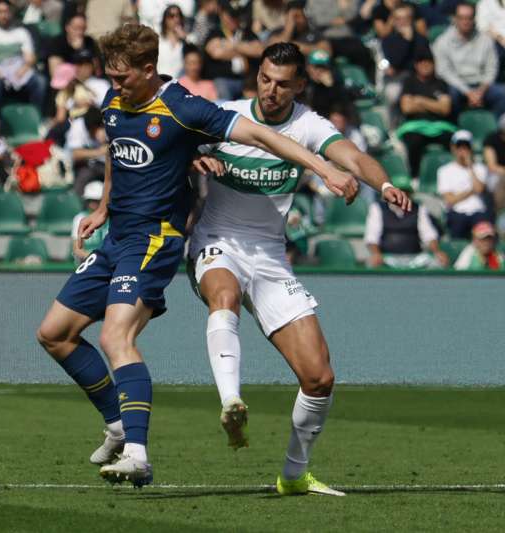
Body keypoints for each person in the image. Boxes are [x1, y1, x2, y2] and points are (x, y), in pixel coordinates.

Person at [35, 24, 357, 488]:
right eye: (112, 76)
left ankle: (138, 454)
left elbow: (262, 136)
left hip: (154, 239)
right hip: (117, 236)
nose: (114, 84)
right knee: (54, 334)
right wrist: (102, 207)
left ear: (149, 70)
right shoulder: (113, 100)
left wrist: (324, 168)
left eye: (123, 77)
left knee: (114, 336)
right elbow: (115, 152)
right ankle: (117, 424)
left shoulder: (183, 106)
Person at [188, 42, 409, 496]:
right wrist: (195, 158)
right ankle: (231, 402)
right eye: (265, 79)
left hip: (270, 255)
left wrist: (384, 183)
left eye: (283, 84)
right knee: (224, 295)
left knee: (319, 376)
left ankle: (293, 475)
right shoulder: (227, 116)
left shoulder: (308, 125)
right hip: (217, 241)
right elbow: (176, 148)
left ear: (300, 86)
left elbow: (352, 157)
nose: (271, 90)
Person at [432, 2, 505, 118]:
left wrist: (481, 91)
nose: (465, 22)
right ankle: (455, 126)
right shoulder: (442, 42)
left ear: (474, 19)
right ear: (455, 19)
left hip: (482, 85)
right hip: (456, 85)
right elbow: (444, 72)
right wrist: (468, 92)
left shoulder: (486, 40)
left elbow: (491, 68)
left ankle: (496, 127)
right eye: (461, 18)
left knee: (502, 93)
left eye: (469, 18)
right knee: (450, 96)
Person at [0, 0, 46, 111]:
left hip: (19, 71)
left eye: (7, 12)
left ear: (11, 13)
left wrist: (23, 69)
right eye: (0, 12)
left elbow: (30, 57)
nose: (4, 15)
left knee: (40, 81)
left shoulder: (21, 32)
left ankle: (35, 115)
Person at [364, 175, 448, 268]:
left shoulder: (419, 208)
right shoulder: (377, 208)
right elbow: (372, 237)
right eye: (399, 192)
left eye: (406, 192)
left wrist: (437, 252)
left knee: (438, 262)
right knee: (371, 263)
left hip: (415, 258)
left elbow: (429, 235)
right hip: (387, 258)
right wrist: (376, 254)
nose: (402, 196)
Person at [396, 47, 454, 177]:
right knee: (414, 141)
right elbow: (407, 108)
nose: (425, 65)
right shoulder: (409, 82)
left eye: (428, 62)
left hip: (439, 126)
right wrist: (435, 106)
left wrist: (420, 100)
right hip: (415, 126)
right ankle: (415, 177)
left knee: (453, 140)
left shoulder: (441, 83)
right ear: (416, 65)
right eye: (421, 62)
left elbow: (445, 109)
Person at [438, 129, 497, 238]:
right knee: (456, 233)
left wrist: (470, 166)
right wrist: (471, 191)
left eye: (466, 147)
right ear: (453, 148)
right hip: (457, 213)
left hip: (478, 212)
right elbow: (450, 200)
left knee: (486, 235)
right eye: (459, 146)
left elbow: (479, 189)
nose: (462, 150)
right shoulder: (444, 171)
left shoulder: (480, 168)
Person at [203, 1, 263, 101]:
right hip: (224, 79)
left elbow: (259, 50)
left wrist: (231, 45)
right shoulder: (215, 32)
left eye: (236, 15)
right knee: (222, 89)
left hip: (247, 81)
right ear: (222, 14)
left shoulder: (246, 33)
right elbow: (215, 52)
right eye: (230, 15)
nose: (233, 19)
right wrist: (245, 51)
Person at [46, 13, 101, 79]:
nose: (80, 32)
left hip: (89, 79)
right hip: (67, 82)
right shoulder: (57, 43)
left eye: (83, 29)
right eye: (76, 28)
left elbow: (97, 70)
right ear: (67, 27)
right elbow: (56, 73)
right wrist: (75, 51)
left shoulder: (89, 41)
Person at [71, 180, 108, 262]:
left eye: (96, 200)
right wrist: (92, 258)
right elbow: (77, 249)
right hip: (87, 261)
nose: (92, 203)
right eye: (90, 200)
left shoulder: (111, 218)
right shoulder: (80, 218)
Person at [157, 5, 188, 78]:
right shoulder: (158, 40)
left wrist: (185, 39)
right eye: (171, 16)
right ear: (165, 20)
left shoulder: (187, 40)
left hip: (180, 82)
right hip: (162, 81)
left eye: (178, 15)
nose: (176, 19)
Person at [483, 114, 505, 211]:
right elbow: (492, 166)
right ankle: (498, 212)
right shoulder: (492, 139)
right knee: (498, 181)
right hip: (495, 174)